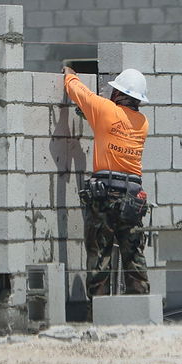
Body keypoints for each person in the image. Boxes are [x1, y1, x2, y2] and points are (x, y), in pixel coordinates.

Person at [64, 65, 151, 298]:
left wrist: (69, 74)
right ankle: (142, 314)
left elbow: (79, 92)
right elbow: (117, 126)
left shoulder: (104, 110)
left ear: (118, 94)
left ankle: (99, 319)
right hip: (133, 200)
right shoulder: (143, 124)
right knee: (134, 259)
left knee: (99, 261)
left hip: (104, 196)